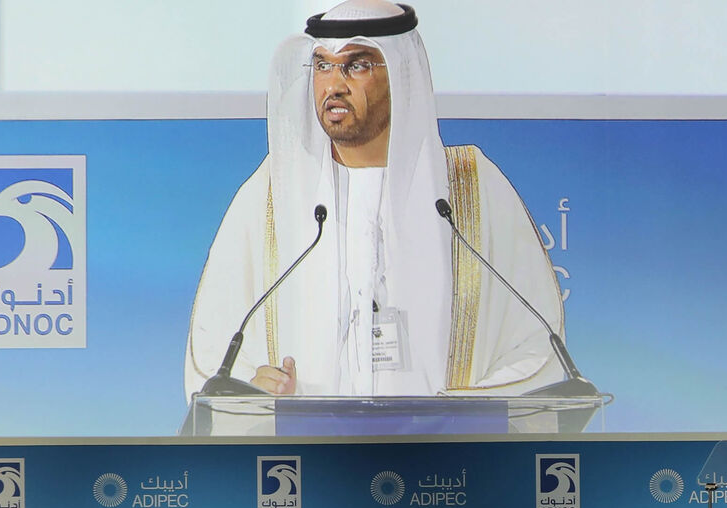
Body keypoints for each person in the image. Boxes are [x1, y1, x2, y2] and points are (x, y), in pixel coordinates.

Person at [185, 0, 565, 397]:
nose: (334, 85)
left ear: (401, 74)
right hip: (313, 456)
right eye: (322, 65)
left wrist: (465, 412)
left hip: (439, 454)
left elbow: (537, 346)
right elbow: (213, 350)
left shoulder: (468, 187)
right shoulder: (272, 192)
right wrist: (256, 389)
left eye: (357, 65)